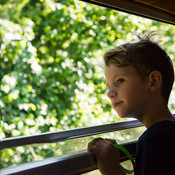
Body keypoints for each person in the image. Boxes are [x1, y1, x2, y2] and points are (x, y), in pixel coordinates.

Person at [88, 31, 175, 175]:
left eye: (120, 81)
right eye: (109, 86)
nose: (110, 93)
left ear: (153, 81)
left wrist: (109, 167)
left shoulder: (154, 140)